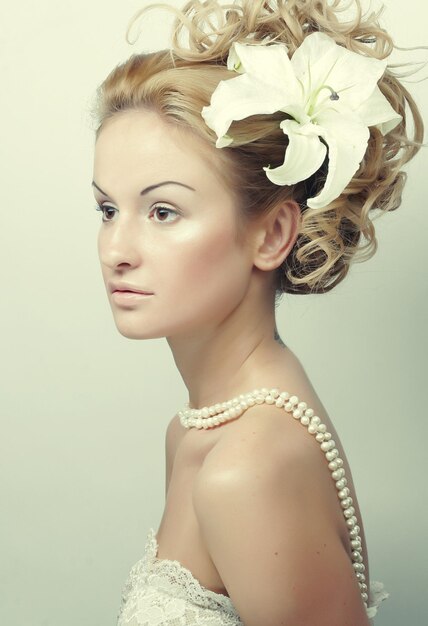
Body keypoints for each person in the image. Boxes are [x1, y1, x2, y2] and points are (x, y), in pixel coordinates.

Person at [90, 1, 424, 624]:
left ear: (272, 234)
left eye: (163, 212)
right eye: (108, 210)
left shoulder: (247, 468)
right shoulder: (200, 431)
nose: (116, 251)